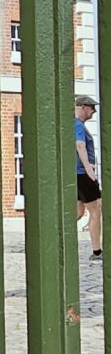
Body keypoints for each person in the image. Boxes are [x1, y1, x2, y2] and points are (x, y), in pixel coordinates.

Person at [76, 95, 102, 260]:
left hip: (78, 174)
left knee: (78, 212)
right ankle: (97, 251)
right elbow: (80, 145)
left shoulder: (77, 124)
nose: (94, 111)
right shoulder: (77, 124)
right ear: (84, 107)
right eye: (92, 108)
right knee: (96, 208)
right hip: (83, 174)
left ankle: (60, 239)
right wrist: (88, 170)